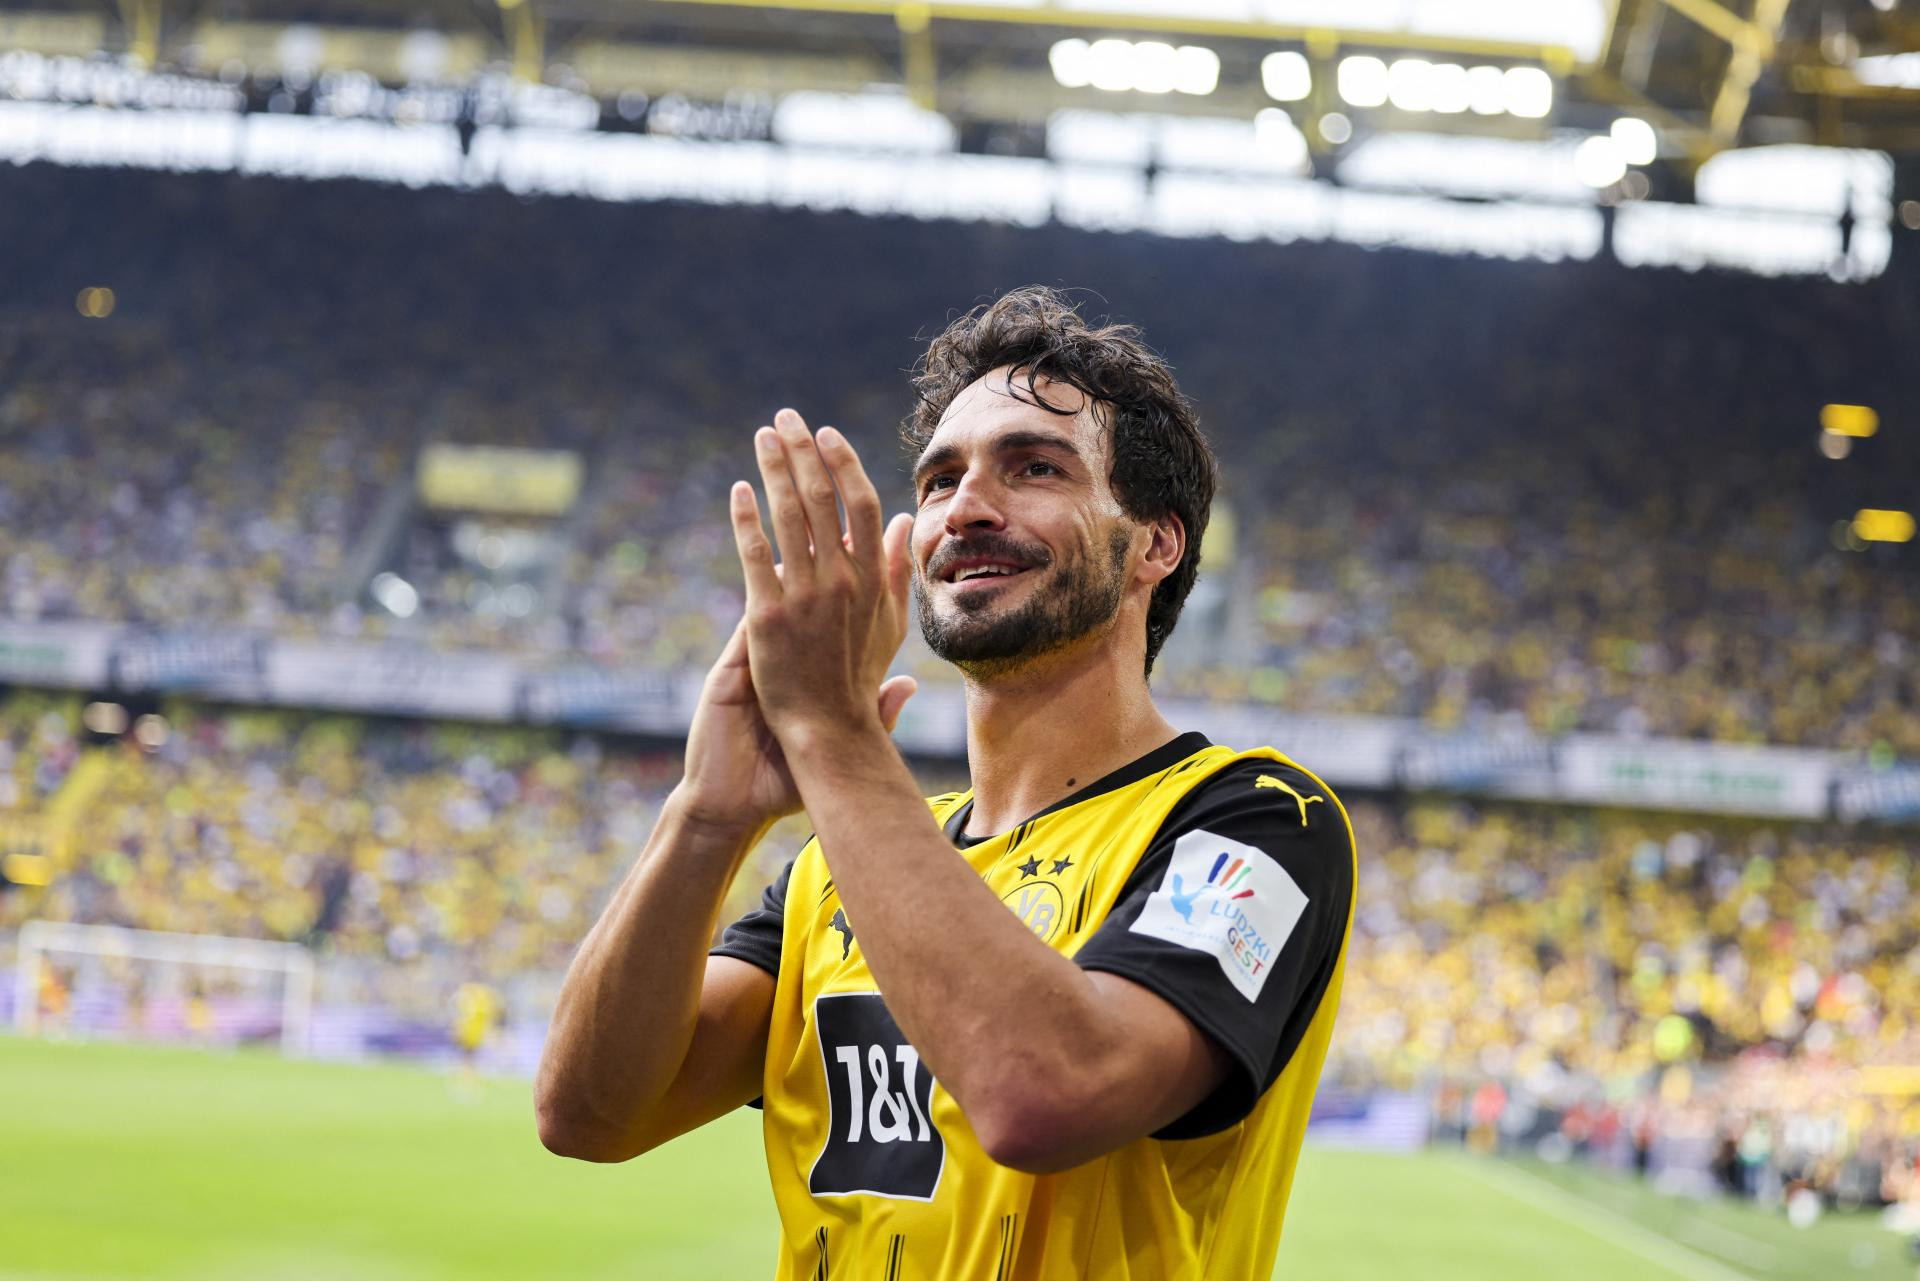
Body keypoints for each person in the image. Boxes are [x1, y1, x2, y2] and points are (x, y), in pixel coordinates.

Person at [536, 286, 1356, 1279]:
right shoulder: (837, 872)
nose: (965, 507)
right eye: (938, 481)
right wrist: (706, 814)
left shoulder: (1257, 821)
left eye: (1035, 467)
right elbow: (589, 1114)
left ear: (1156, 543)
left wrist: (833, 735)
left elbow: (1044, 1094)